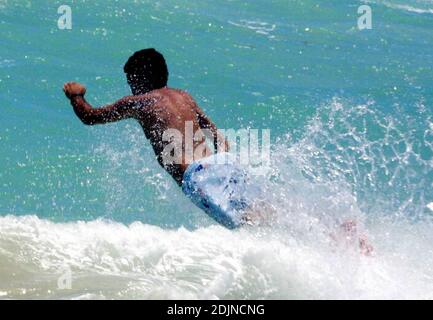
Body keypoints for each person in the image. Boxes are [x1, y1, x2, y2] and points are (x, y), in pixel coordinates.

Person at [63, 48, 254, 229]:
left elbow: (90, 117)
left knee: (243, 229)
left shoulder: (139, 102)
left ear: (141, 78)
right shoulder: (183, 96)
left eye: (131, 81)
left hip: (196, 176)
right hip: (222, 163)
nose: (131, 87)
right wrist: (224, 162)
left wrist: (76, 96)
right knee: (255, 216)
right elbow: (218, 138)